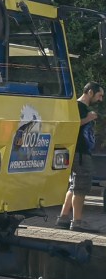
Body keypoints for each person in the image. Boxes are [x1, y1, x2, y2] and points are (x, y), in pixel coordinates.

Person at [58, 81, 104, 232]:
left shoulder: (83, 108)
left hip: (81, 152)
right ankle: (77, 221)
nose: (100, 99)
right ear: (90, 92)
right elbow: (71, 125)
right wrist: (89, 119)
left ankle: (63, 218)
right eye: (99, 95)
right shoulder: (78, 107)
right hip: (80, 152)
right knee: (81, 187)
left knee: (75, 185)